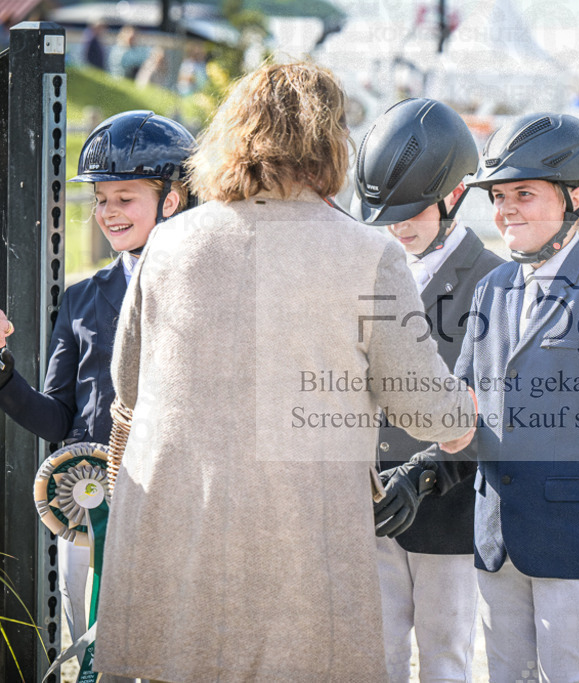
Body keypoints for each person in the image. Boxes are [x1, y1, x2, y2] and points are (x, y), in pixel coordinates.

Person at [92, 63, 476, 682]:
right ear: (329, 145)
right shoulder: (368, 251)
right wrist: (463, 417)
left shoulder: (167, 243)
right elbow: (423, 404)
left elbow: (126, 385)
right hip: (297, 543)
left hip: (174, 540)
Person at [379, 112, 579, 682]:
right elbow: (468, 414)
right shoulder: (492, 289)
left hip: (576, 546)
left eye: (523, 194)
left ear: (575, 197)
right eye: (498, 196)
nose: (504, 211)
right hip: (495, 539)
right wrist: (422, 471)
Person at [0, 110, 193, 647]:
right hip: (91, 510)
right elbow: (57, 417)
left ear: (171, 199)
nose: (108, 213)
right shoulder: (82, 299)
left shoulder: (207, 293)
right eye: (101, 200)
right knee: (90, 651)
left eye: (124, 198)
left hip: (177, 509)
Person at [355, 97, 503, 683]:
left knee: (445, 660)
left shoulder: (492, 278)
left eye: (413, 209)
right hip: (371, 498)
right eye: (389, 211)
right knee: (380, 657)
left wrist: (425, 470)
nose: (399, 225)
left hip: (449, 506)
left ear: (454, 194)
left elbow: (490, 405)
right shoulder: (367, 270)